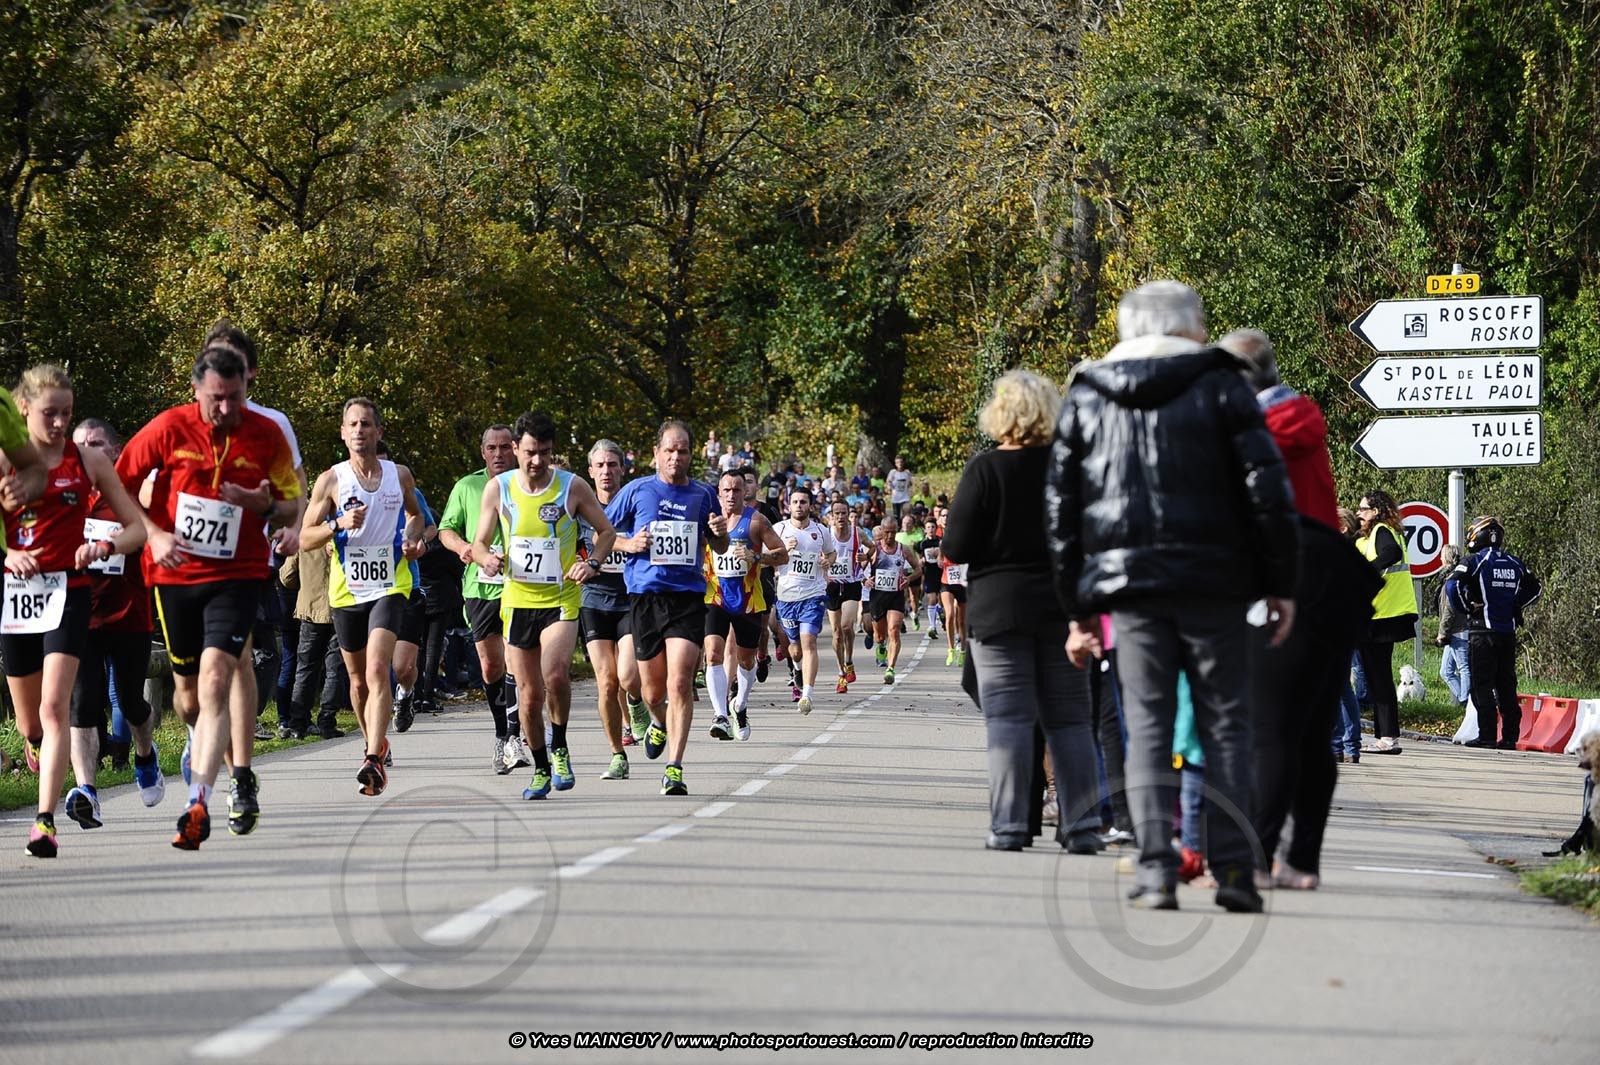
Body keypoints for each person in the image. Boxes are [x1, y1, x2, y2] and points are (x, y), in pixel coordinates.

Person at [1046, 280, 1298, 912]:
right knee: (1225, 724)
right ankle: (1235, 870)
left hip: (1129, 590)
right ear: (1194, 327)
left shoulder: (1088, 392)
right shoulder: (1223, 386)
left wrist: (1078, 612)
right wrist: (1279, 583)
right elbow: (1267, 490)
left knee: (1147, 727)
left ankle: (1157, 869)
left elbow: (1061, 513)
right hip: (1216, 583)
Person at [116, 344, 301, 848]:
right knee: (188, 700)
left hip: (237, 575)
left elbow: (292, 503)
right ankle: (217, 759)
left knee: (219, 677)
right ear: (196, 388)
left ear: (246, 388)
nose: (225, 408)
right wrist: (153, 533)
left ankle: (199, 802)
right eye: (216, 398)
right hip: (175, 574)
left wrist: (263, 504)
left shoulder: (265, 433)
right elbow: (119, 484)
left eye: (234, 397)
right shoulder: (168, 427)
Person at [1221, 328, 1379, 890]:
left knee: (1271, 727)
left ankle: (1255, 858)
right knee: (1311, 730)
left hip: (1289, 572)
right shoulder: (1298, 417)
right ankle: (1301, 861)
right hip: (1335, 577)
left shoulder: (1255, 430)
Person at [942, 371, 1102, 854]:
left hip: (1000, 607)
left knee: (1009, 720)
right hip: (1062, 606)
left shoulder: (985, 469)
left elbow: (956, 545)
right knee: (1071, 721)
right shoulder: (1069, 468)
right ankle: (1082, 824)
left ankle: (1010, 825)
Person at [5, 369, 147, 856]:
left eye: (66, 413)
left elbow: (136, 528)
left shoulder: (87, 460)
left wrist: (104, 545)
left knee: (55, 709)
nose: (60, 423)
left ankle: (44, 822)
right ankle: (35, 744)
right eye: (50, 413)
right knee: (30, 724)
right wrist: (9, 554)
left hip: (68, 592)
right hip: (16, 594)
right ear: (24, 408)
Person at [473, 412, 615, 798]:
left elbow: (606, 532)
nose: (538, 461)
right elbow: (480, 543)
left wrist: (592, 563)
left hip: (561, 598)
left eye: (546, 453)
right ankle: (540, 767)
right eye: (531, 452)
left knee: (555, 675)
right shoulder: (499, 489)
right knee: (529, 695)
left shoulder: (572, 486)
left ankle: (561, 746)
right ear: (515, 448)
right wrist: (486, 559)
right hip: (518, 601)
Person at [300, 398, 428, 795]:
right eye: (352, 424)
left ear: (378, 431)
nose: (359, 430)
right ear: (343, 433)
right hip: (346, 590)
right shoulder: (331, 480)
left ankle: (373, 758)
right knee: (357, 683)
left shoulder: (399, 475)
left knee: (376, 668)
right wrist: (337, 523)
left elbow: (416, 516)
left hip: (390, 584)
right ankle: (375, 742)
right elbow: (305, 537)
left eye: (366, 424)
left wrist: (412, 539)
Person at [605, 420, 729, 795]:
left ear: (691, 455)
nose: (676, 457)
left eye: (683, 451)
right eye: (670, 450)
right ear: (656, 453)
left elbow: (719, 547)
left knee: (680, 682)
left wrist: (720, 535)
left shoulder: (704, 495)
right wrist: (629, 544)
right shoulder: (636, 490)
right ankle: (658, 721)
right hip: (645, 599)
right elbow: (601, 534)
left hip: (687, 598)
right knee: (652, 692)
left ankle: (674, 768)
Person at [64, 417, 165, 836]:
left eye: (95, 443)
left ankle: (145, 754)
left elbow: (150, 533)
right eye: (79, 444)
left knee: (130, 701)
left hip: (128, 615)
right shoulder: (64, 495)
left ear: (115, 450)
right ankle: (87, 790)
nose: (86, 450)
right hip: (79, 616)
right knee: (83, 705)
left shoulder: (130, 492)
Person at [438, 425, 525, 774]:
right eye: (492, 448)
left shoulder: (527, 484)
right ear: (483, 451)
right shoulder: (467, 486)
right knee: (490, 666)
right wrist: (463, 547)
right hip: (480, 587)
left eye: (505, 447)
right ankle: (502, 733)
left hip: (522, 586)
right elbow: (446, 529)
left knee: (517, 661)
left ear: (515, 449)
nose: (499, 453)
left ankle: (517, 736)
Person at [703, 469, 786, 736]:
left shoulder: (756, 521)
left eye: (736, 490)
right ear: (718, 492)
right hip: (714, 596)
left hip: (748, 600)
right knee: (713, 654)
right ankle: (720, 715)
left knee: (746, 661)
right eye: (726, 490)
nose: (731, 495)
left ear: (745, 492)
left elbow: (782, 554)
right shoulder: (707, 519)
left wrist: (757, 557)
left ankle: (740, 705)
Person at [580, 439, 645, 777]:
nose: (606, 471)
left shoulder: (636, 505)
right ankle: (618, 754)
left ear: (622, 469)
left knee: (629, 677)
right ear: (591, 471)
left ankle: (636, 702)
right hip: (593, 600)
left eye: (612, 465)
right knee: (607, 681)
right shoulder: (580, 505)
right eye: (600, 466)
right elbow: (587, 539)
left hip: (631, 599)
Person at [1448, 516, 1541, 750]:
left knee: (1481, 685)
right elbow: (1536, 589)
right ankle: (1510, 737)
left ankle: (1487, 735)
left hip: (1482, 632)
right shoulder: (1514, 562)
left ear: (1476, 536)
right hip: (1508, 633)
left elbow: (1452, 586)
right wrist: (1516, 604)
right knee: (1506, 684)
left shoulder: (1475, 560)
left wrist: (1466, 607)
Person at [1354, 489, 1414, 756]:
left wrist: (1367, 573)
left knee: (1379, 679)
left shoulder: (1381, 531)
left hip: (1383, 615)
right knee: (1378, 677)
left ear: (1376, 511)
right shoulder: (1381, 533)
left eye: (1363, 509)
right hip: (1387, 613)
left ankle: (1387, 737)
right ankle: (1385, 736)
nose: (1359, 513)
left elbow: (1391, 554)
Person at [771, 485, 835, 714]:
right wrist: (782, 551)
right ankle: (797, 669)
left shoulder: (821, 530)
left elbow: (831, 552)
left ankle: (807, 694)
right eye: (795, 502)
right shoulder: (779, 529)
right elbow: (766, 559)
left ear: (810, 505)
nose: (799, 506)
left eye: (803, 502)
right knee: (795, 649)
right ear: (789, 505)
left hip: (813, 594)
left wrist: (828, 562)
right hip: (787, 597)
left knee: (809, 642)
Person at [864, 521, 917, 685]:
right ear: (882, 530)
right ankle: (881, 646)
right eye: (886, 532)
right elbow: (858, 569)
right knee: (880, 636)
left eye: (893, 532)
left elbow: (918, 569)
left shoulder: (903, 549)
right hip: (878, 596)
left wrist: (909, 579)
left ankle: (891, 669)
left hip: (896, 595)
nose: (890, 536)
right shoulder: (874, 549)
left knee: (894, 629)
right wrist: (865, 580)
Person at [823, 498, 865, 693]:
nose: (840, 517)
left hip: (851, 584)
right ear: (831, 516)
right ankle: (841, 674)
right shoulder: (826, 535)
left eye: (843, 513)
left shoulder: (857, 533)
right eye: (837, 513)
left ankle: (849, 661)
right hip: (832, 586)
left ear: (848, 514)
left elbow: (872, 548)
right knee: (836, 633)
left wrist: (865, 557)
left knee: (847, 625)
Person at [1434, 544, 1471, 710]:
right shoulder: (1455, 578)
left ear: (1447, 558)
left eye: (1442, 555)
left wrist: (1442, 632)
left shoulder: (1452, 580)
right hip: (1455, 631)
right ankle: (1464, 700)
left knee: (1464, 668)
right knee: (1445, 671)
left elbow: (1449, 610)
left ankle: (1467, 702)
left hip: (1458, 630)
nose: (1440, 558)